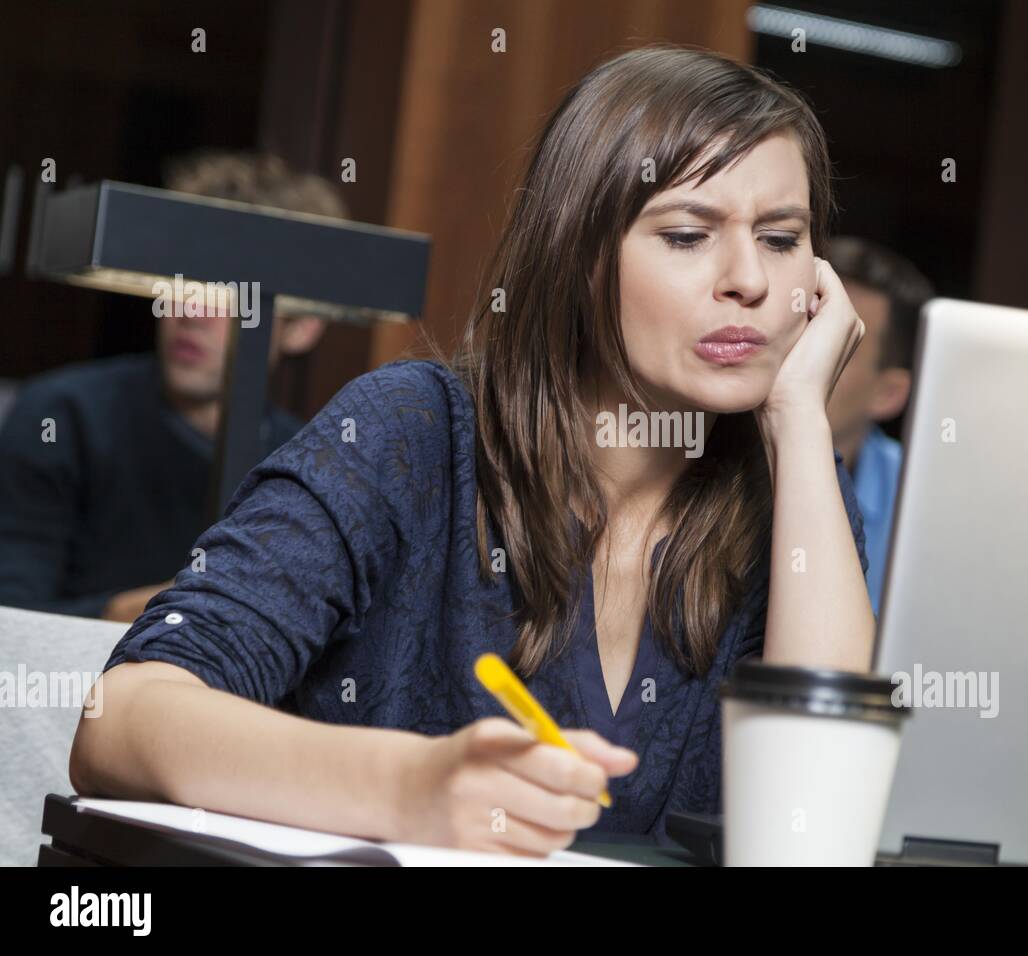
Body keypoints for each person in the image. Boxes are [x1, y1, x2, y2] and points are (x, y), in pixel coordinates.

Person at [70, 44, 875, 856]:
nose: (750, 280)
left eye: (780, 239)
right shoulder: (412, 432)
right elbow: (123, 720)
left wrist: (803, 420)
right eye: (687, 234)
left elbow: (820, 814)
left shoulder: (797, 485)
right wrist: (405, 789)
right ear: (581, 258)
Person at [0, 152, 345, 622]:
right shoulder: (65, 415)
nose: (189, 310)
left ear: (301, 325)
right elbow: (13, 619)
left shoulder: (310, 464)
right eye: (182, 280)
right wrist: (168, 607)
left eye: (229, 291)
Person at [823, 236, 934, 609]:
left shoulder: (923, 499)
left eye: (838, 342)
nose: (801, 351)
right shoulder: (693, 454)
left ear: (888, 394)